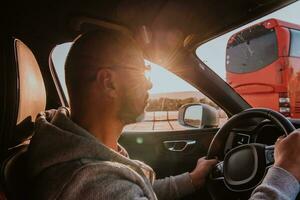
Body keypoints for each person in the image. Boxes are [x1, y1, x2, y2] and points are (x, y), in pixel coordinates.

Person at [26, 29, 300, 199]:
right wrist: (284, 173)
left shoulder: (86, 154)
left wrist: (191, 180)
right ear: (109, 82)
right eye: (141, 71)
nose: (149, 83)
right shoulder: (92, 184)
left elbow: (138, 191)